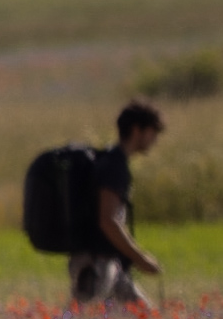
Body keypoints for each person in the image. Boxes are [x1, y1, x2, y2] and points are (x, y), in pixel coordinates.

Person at [69, 100, 164, 305]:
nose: (155, 140)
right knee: (85, 316)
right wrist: (140, 259)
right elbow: (108, 221)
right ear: (137, 130)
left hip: (111, 262)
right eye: (152, 132)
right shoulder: (114, 167)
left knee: (142, 314)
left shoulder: (109, 160)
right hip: (98, 264)